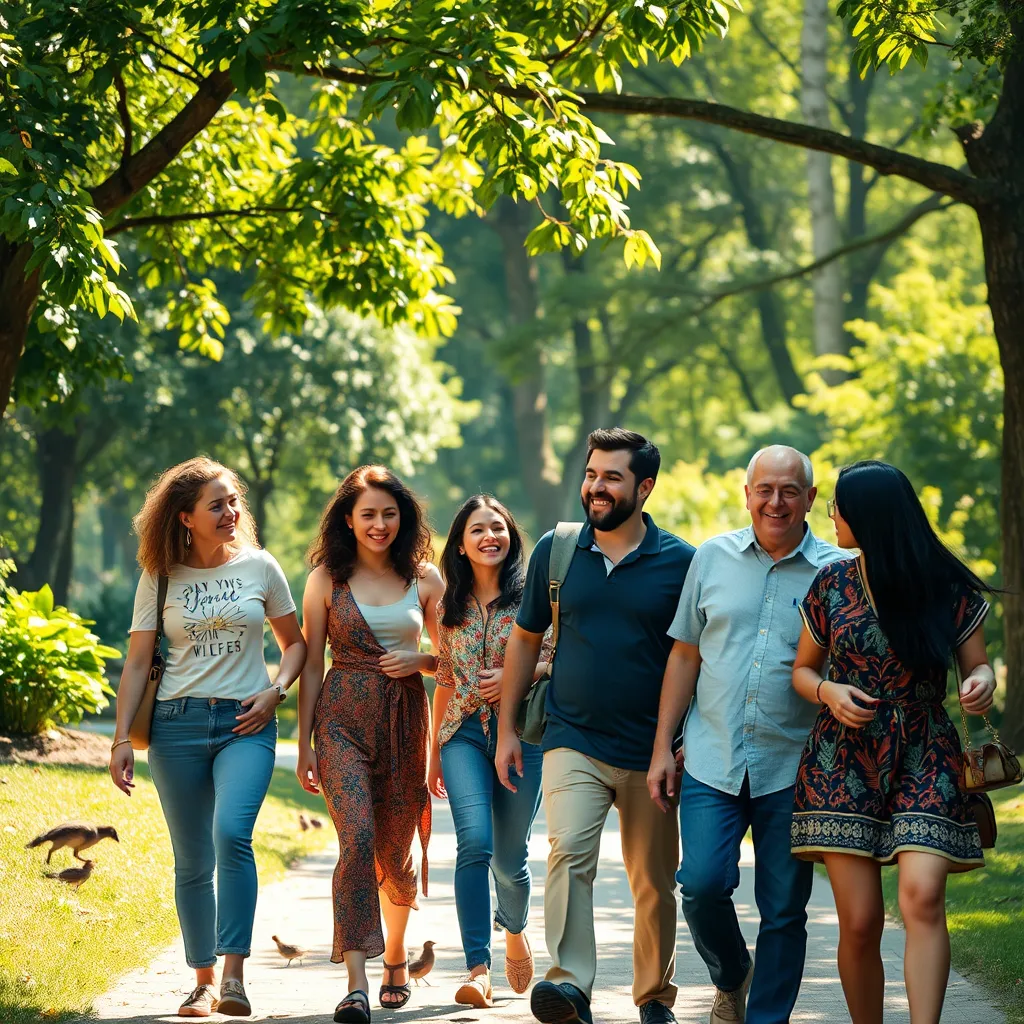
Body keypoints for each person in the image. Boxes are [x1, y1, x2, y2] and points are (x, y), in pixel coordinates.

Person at [496, 428, 696, 1024]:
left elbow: (693, 659)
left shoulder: (683, 563)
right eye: (591, 474)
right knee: (569, 853)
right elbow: (525, 640)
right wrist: (508, 728)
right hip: (570, 737)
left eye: (612, 477)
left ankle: (653, 998)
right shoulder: (558, 552)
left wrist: (678, 743)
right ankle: (568, 985)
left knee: (653, 881)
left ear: (645, 486)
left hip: (651, 749)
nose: (597, 487)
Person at [790, 460, 995, 1024]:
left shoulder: (945, 585)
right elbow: (803, 672)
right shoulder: (831, 582)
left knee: (922, 896)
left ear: (870, 516)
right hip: (842, 759)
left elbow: (975, 667)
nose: (830, 514)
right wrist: (828, 691)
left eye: (838, 505)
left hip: (926, 753)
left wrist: (982, 682)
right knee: (859, 921)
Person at [648, 444, 844, 1024]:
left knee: (784, 909)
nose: (776, 502)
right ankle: (732, 974)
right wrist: (663, 747)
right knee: (702, 885)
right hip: (712, 755)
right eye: (765, 489)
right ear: (747, 492)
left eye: (790, 491)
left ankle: (767, 1018)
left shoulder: (837, 571)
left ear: (810, 498)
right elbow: (684, 656)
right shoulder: (711, 558)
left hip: (797, 764)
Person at [108, 458, 306, 1018]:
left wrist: (277, 690)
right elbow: (139, 658)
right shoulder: (160, 576)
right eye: (216, 504)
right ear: (186, 517)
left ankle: (235, 976)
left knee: (231, 835)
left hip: (246, 722)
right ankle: (202, 980)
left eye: (233, 501)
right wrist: (121, 738)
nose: (230, 512)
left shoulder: (261, 567)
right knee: (192, 860)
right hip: (175, 726)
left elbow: (295, 644)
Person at [296, 465, 443, 1023]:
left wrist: (422, 660)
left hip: (406, 722)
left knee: (395, 856)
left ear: (402, 518)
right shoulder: (324, 580)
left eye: (388, 513)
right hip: (340, 722)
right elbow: (311, 664)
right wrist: (306, 741)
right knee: (356, 840)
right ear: (348, 520)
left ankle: (397, 959)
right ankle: (356, 984)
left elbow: (455, 659)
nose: (379, 524)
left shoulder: (426, 579)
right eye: (368, 515)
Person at [428, 495, 552, 1007]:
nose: (489, 537)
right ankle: (478, 968)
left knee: (509, 858)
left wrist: (514, 676)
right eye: (477, 529)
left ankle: (516, 928)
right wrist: (433, 750)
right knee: (472, 844)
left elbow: (553, 657)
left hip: (521, 734)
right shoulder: (446, 607)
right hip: (461, 735)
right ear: (460, 543)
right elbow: (445, 677)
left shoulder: (535, 598)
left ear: (510, 536)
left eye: (497, 527)